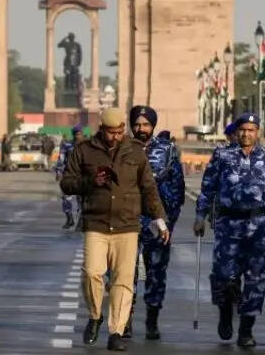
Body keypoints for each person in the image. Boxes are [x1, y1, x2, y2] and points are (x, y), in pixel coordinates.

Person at [61, 108, 169, 352]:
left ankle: (117, 332)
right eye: (111, 132)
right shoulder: (84, 150)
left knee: (123, 281)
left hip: (127, 225)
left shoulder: (135, 151)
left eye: (120, 131)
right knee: (92, 273)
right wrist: (91, 182)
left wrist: (159, 218)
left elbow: (148, 188)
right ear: (102, 129)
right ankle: (95, 315)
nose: (116, 137)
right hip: (96, 223)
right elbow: (67, 183)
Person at [194, 112, 265, 348]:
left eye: (251, 130)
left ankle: (246, 329)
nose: (246, 134)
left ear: (258, 132)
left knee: (256, 279)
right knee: (223, 277)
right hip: (228, 225)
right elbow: (208, 187)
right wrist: (200, 215)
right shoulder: (222, 155)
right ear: (237, 132)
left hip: (259, 228)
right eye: (243, 130)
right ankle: (225, 312)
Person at [129, 106, 185, 341]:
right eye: (137, 124)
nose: (141, 128)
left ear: (152, 126)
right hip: (128, 219)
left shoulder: (167, 150)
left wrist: (168, 219)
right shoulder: (123, 148)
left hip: (157, 221)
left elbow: (177, 186)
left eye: (145, 124)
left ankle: (152, 320)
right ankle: (124, 318)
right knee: (125, 272)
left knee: (156, 271)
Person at [55, 126, 84, 229]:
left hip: (82, 175)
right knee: (66, 197)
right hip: (69, 175)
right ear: (73, 135)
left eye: (80, 134)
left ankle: (81, 220)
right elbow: (61, 158)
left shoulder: (87, 146)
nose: (78, 136)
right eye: (76, 134)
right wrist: (58, 171)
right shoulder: (67, 145)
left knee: (82, 199)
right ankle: (69, 219)